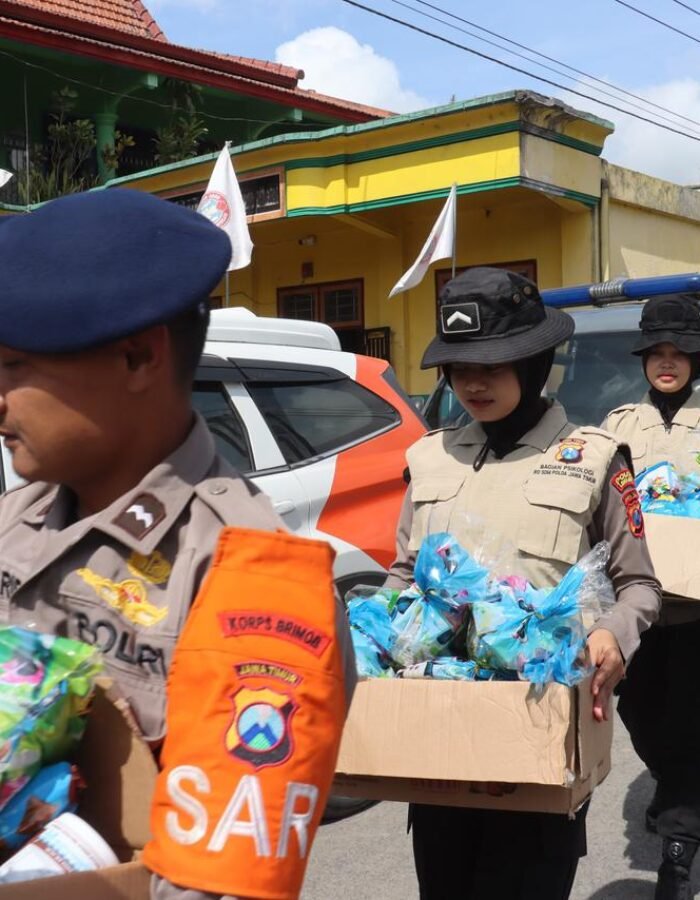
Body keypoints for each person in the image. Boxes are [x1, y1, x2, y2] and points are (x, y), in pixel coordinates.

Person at [0, 188, 355, 900]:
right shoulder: (19, 515)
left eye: (15, 367)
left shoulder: (254, 579)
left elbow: (218, 880)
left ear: (138, 357)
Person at [384, 266, 661, 900]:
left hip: (540, 727)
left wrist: (614, 635)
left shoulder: (595, 459)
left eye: (491, 365)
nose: (472, 383)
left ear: (534, 363)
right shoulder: (427, 458)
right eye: (458, 368)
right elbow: (404, 574)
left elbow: (639, 586)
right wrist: (371, 627)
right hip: (436, 729)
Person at [603, 294, 700, 900]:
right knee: (638, 713)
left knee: (688, 720)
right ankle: (673, 781)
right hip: (637, 603)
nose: (668, 363)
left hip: (696, 608)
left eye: (680, 352)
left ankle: (677, 855)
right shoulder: (617, 425)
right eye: (657, 352)